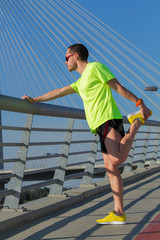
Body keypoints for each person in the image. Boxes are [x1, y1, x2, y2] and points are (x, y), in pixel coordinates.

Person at [22, 43, 152, 225]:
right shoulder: (80, 81)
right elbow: (59, 92)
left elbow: (118, 87)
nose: (64, 62)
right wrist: (35, 99)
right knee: (112, 170)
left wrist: (140, 104)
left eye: (66, 58)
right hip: (98, 126)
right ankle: (118, 212)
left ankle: (136, 123)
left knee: (116, 160)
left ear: (75, 56)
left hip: (108, 118)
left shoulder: (95, 68)